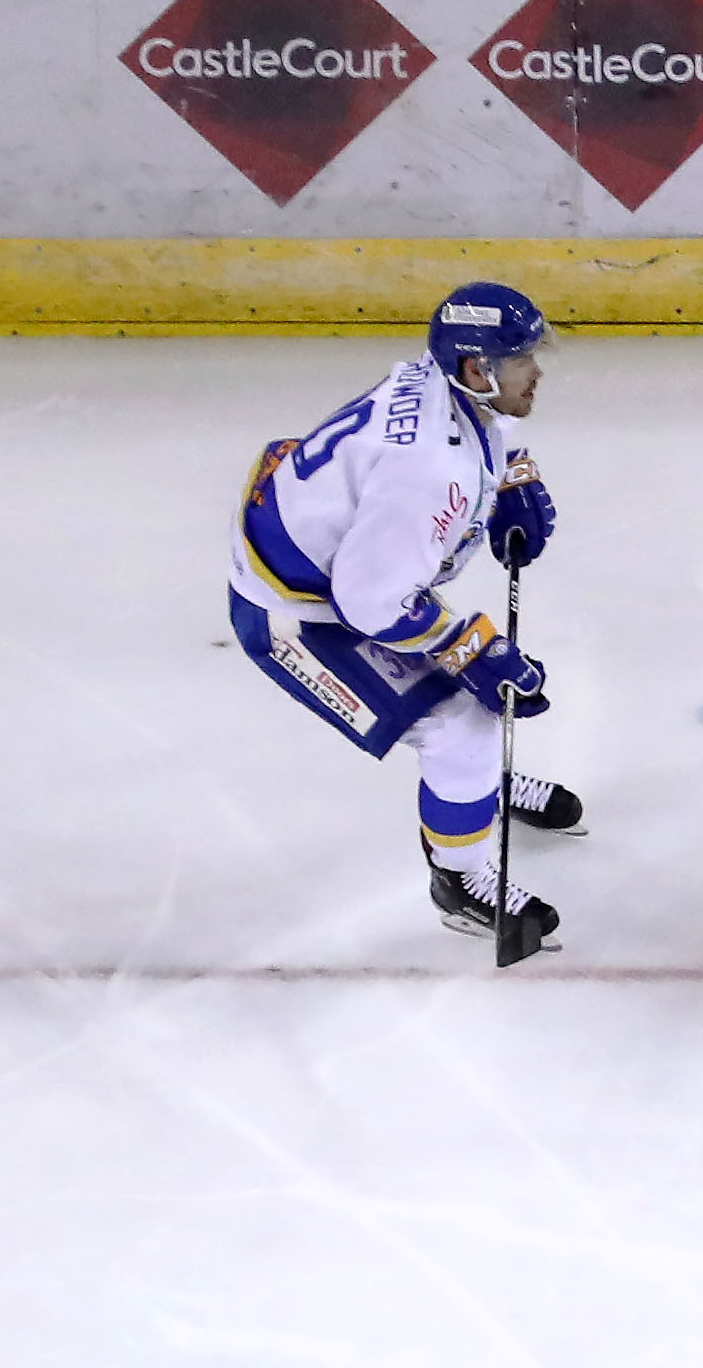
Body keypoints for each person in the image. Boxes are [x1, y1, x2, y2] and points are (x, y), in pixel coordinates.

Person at [223, 286, 582, 961]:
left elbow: (484, 434)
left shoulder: (441, 382)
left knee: (470, 732)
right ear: (477, 370)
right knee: (462, 724)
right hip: (298, 612)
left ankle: (476, 790)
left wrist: (507, 478)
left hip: (332, 570)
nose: (536, 373)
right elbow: (371, 602)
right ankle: (461, 880)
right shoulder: (424, 471)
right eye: (521, 360)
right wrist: (473, 648)